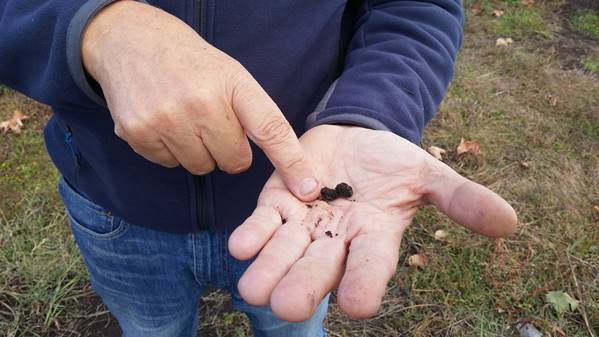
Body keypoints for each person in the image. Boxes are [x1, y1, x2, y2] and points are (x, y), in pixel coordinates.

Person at [0, 0, 517, 336]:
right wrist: (88, 26)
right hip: (116, 205)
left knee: (291, 323)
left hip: (288, 214)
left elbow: (413, 9)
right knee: (149, 327)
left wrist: (368, 115)